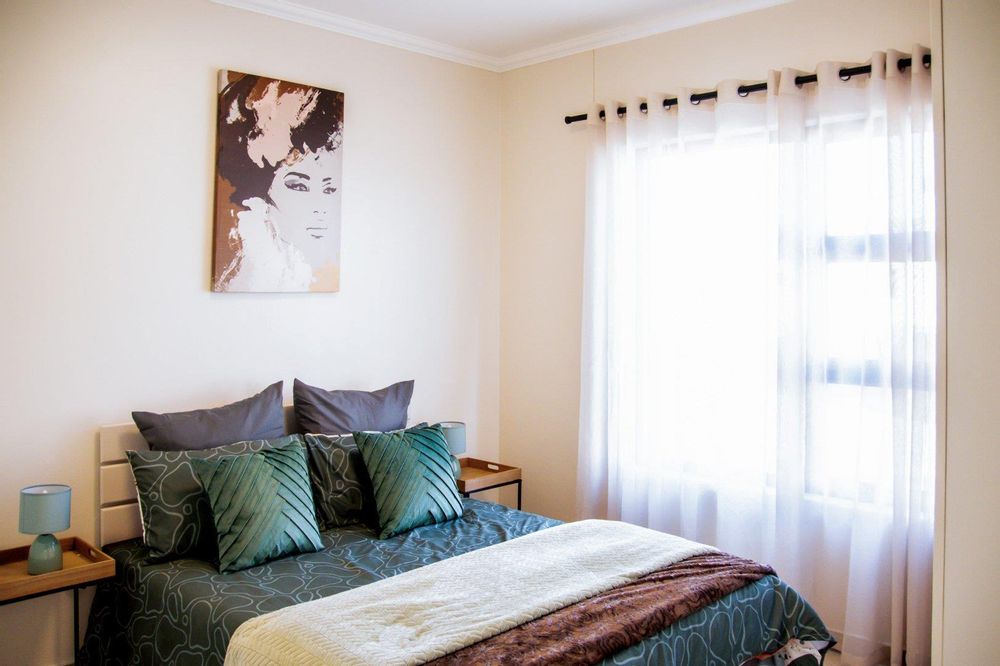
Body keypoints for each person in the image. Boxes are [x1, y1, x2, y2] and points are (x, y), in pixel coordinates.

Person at [212, 72, 344, 292]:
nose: (320, 208)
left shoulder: (311, 273)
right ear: (262, 191)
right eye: (299, 186)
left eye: (329, 188)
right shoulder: (242, 276)